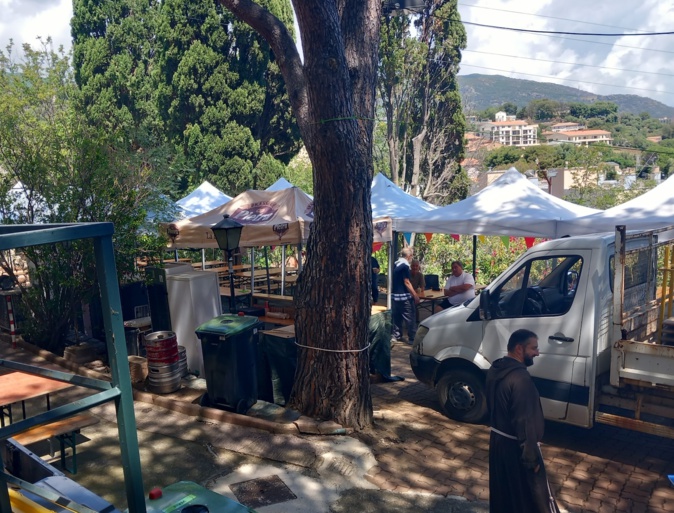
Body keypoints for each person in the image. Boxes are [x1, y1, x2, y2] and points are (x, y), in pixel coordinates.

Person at [486, 329, 560, 513]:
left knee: (505, 495)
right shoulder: (520, 379)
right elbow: (525, 421)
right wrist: (531, 460)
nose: (537, 352)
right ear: (519, 348)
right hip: (515, 449)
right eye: (533, 348)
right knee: (531, 499)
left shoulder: (496, 368)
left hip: (497, 444)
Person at [391, 247, 420, 345]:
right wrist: (415, 295)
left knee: (397, 316)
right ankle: (412, 338)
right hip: (404, 296)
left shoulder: (395, 264)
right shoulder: (405, 266)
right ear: (409, 256)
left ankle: (396, 335)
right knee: (410, 316)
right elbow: (407, 282)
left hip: (395, 295)